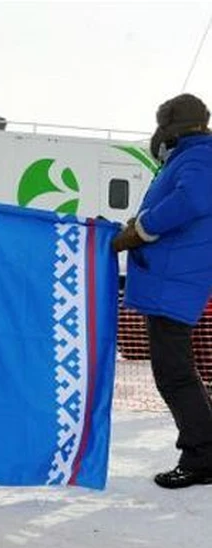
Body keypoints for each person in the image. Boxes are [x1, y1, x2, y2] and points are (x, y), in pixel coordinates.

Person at [111, 93, 212, 489]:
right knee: (178, 372)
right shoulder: (192, 155)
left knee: (174, 374)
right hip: (172, 278)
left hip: (175, 280)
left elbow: (191, 200)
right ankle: (205, 448)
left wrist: (143, 228)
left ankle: (201, 456)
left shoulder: (199, 156)